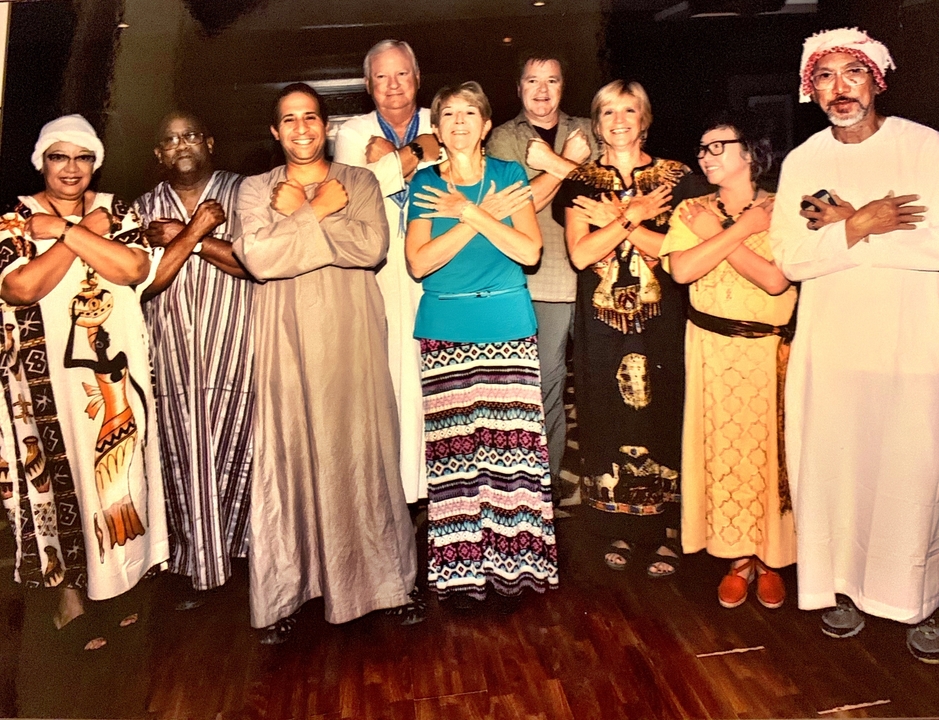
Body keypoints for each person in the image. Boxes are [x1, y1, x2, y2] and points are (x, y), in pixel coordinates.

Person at [770, 27, 939, 661]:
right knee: (838, 469)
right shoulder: (802, 162)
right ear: (810, 89)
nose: (840, 90)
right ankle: (839, 589)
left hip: (913, 346)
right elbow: (789, 258)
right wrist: (869, 221)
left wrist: (847, 223)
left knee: (913, 470)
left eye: (853, 74)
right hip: (832, 349)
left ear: (877, 79)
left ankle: (919, 599)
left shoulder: (926, 149)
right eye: (825, 77)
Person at [233, 83, 418, 643]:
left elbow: (371, 248)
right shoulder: (254, 188)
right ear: (275, 131)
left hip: (352, 338)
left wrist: (300, 218)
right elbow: (259, 258)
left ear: (326, 125)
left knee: (364, 455)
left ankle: (386, 586)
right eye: (289, 120)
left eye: (310, 117)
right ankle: (288, 591)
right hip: (285, 342)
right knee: (289, 457)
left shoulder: (358, 181)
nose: (302, 129)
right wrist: (317, 211)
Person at [0, 114, 168, 650]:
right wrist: (84, 236)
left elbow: (131, 269)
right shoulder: (13, 220)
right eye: (58, 157)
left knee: (117, 482)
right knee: (57, 480)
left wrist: (70, 231)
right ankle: (70, 595)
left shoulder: (118, 210)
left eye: (81, 157)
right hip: (43, 384)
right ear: (41, 162)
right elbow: (22, 287)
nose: (70, 169)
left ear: (95, 161)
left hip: (110, 376)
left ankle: (120, 586)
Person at [405, 82, 557, 610]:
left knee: (511, 453)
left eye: (471, 112)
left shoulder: (511, 176)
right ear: (438, 127)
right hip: (446, 326)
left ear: (487, 124)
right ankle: (462, 571)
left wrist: (469, 212)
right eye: (449, 113)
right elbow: (419, 263)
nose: (460, 121)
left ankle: (517, 566)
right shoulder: (425, 184)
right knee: (457, 457)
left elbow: (529, 250)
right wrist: (477, 217)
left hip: (506, 323)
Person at [553, 80, 695, 578]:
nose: (618, 119)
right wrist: (633, 215)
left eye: (628, 109)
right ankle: (615, 526)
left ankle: (667, 533)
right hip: (602, 321)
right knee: (605, 412)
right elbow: (581, 253)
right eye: (607, 110)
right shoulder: (581, 181)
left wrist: (620, 222)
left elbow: (676, 255)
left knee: (664, 412)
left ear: (645, 118)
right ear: (595, 123)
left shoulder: (677, 178)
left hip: (662, 319)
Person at [661, 112, 797, 609]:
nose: (705, 155)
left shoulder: (784, 209)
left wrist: (719, 233)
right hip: (710, 348)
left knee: (769, 454)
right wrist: (737, 228)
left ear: (750, 154)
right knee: (719, 451)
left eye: (718, 146)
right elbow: (682, 269)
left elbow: (776, 281)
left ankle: (770, 558)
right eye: (701, 147)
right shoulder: (692, 209)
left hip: (766, 351)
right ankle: (735, 558)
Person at [132, 111, 254, 605]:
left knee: (243, 449)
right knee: (180, 455)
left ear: (209, 141)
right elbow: (146, 280)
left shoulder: (245, 192)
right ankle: (194, 562)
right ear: (158, 154)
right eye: (169, 140)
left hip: (237, 351)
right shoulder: (140, 209)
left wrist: (192, 237)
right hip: (173, 355)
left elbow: (252, 261)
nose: (180, 145)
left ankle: (248, 557)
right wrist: (198, 232)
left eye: (189, 136)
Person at [486, 53, 597, 506]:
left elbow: (608, 190)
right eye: (532, 80)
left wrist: (551, 161)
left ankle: (593, 482)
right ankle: (543, 483)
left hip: (594, 274)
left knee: (595, 384)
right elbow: (516, 206)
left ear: (563, 86)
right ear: (518, 88)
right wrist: (565, 167)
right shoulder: (504, 138)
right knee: (544, 381)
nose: (542, 90)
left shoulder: (588, 128)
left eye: (552, 80)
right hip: (538, 279)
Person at [334, 40, 441, 504]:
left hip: (436, 261)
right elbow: (355, 192)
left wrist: (391, 158)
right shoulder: (354, 133)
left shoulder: (444, 120)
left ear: (417, 77)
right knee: (387, 376)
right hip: (378, 269)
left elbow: (456, 180)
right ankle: (391, 488)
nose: (393, 85)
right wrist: (417, 153)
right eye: (382, 76)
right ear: (368, 85)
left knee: (431, 373)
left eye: (402, 74)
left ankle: (437, 487)